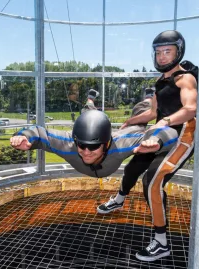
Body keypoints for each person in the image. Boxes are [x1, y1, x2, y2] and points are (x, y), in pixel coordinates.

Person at [97, 30, 197, 262]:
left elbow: (190, 109)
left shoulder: (186, 78)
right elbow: (153, 112)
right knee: (133, 168)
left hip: (183, 138)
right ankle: (119, 200)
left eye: (167, 52)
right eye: (158, 52)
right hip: (160, 135)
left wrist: (166, 121)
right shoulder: (160, 82)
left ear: (178, 52)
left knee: (151, 182)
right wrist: (129, 122)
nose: (162, 57)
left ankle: (161, 243)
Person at [10, 107, 178, 179]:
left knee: (136, 127)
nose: (86, 151)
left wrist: (157, 140)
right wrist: (24, 136)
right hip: (111, 149)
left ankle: (146, 103)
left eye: (93, 146)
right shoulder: (69, 144)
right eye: (82, 145)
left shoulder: (119, 145)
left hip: (122, 136)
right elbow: (40, 132)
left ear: (106, 144)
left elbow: (169, 132)